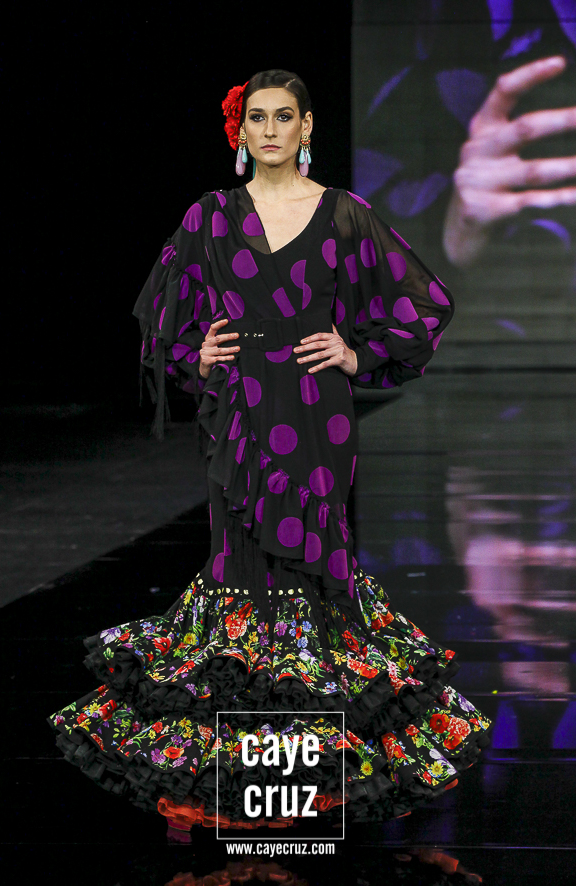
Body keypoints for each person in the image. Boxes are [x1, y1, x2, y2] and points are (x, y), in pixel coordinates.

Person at [47, 69, 492, 837]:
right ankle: (240, 771)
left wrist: (355, 352)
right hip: (240, 407)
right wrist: (198, 355)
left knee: (314, 565)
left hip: (315, 409)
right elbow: (162, 312)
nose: (272, 130)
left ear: (307, 127)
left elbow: (424, 301)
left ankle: (310, 776)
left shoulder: (344, 213)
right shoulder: (210, 217)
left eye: (285, 116)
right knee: (240, 563)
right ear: (241, 131)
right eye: (257, 117)